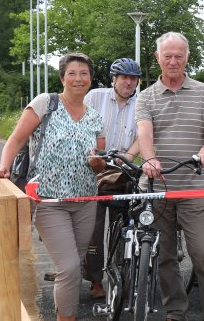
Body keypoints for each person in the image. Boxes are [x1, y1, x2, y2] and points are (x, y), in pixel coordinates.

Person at [0, 52, 105, 321]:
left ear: (90, 79)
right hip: (48, 201)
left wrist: (96, 162)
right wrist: (3, 166)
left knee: (74, 265)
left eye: (84, 73)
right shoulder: (46, 103)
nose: (79, 79)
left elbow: (101, 163)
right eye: (72, 73)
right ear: (62, 77)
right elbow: (16, 138)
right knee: (68, 266)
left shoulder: (95, 117)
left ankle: (63, 311)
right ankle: (66, 317)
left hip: (86, 200)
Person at [135, 31, 204, 321]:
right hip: (157, 186)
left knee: (203, 254)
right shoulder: (146, 97)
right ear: (157, 58)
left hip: (193, 186)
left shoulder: (202, 92)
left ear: (187, 57)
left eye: (179, 56)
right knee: (165, 256)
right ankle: (175, 310)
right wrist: (149, 158)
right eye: (168, 56)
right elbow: (144, 132)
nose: (173, 61)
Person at [82, 57, 141, 299]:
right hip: (94, 169)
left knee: (124, 225)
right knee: (92, 227)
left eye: (133, 78)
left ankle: (121, 274)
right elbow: (80, 122)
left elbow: (144, 134)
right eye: (124, 77)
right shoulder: (95, 96)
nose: (129, 82)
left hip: (124, 169)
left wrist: (128, 155)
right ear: (113, 79)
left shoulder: (142, 102)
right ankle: (95, 280)